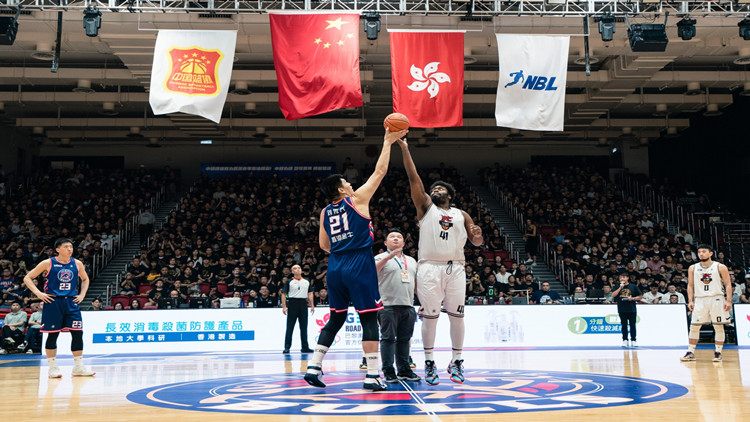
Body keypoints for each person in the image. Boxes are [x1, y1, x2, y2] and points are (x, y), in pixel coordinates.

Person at [304, 127, 406, 392]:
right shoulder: (356, 199)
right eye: (347, 183)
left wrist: (343, 246)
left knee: (336, 317)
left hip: (335, 266)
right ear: (341, 188)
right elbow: (379, 172)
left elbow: (323, 245)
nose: (351, 184)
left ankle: (314, 366)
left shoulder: (326, 211)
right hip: (359, 263)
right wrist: (387, 141)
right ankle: (372, 375)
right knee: (369, 318)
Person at [397, 138, 483, 386]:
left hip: (456, 267)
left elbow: (476, 243)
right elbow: (415, 179)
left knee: (457, 317)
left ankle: (456, 360)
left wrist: (477, 236)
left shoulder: (462, 214)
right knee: (431, 317)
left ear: (451, 195)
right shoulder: (425, 208)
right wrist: (405, 149)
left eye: (440, 189)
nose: (435, 190)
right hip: (429, 267)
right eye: (432, 189)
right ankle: (429, 361)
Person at [22, 238, 95, 377]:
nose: (70, 249)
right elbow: (27, 278)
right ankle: (52, 367)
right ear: (58, 249)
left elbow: (85, 279)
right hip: (53, 302)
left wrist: (82, 294)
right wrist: (38, 293)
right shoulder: (48, 263)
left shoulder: (77, 263)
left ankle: (78, 366)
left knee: (78, 333)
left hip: (71, 302)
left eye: (71, 247)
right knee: (53, 334)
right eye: (66, 247)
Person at [374, 229, 421, 383]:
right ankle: (388, 371)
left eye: (399, 237)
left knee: (404, 339)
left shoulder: (412, 261)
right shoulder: (379, 257)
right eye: (392, 237)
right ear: (386, 243)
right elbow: (371, 273)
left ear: (403, 243)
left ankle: (404, 370)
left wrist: (422, 303)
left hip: (408, 305)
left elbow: (416, 284)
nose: (395, 239)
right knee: (387, 339)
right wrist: (388, 257)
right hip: (387, 305)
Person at [681, 244, 732, 362]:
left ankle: (718, 352)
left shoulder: (720, 266)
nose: (701, 254)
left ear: (710, 253)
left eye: (704, 251)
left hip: (717, 298)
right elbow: (690, 285)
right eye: (699, 252)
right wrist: (690, 300)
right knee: (694, 326)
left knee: (718, 326)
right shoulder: (692, 268)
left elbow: (728, 284)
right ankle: (690, 352)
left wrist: (728, 300)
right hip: (700, 299)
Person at [281, 264, 315, 354]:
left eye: (299, 268)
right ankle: (287, 347)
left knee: (304, 327)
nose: (297, 270)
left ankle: (305, 347)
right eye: (295, 268)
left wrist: (312, 305)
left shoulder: (306, 281)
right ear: (292, 272)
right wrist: (284, 307)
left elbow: (310, 293)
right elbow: (283, 294)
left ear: (301, 270)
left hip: (303, 304)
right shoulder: (289, 281)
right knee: (290, 327)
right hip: (292, 304)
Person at [612, 273, 642, 348]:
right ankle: (625, 340)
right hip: (622, 308)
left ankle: (633, 340)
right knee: (624, 325)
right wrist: (619, 288)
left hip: (632, 309)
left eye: (624, 277)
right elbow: (613, 295)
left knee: (632, 325)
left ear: (627, 278)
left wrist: (633, 298)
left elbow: (640, 296)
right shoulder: (617, 286)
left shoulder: (633, 286)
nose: (622, 279)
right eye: (621, 277)